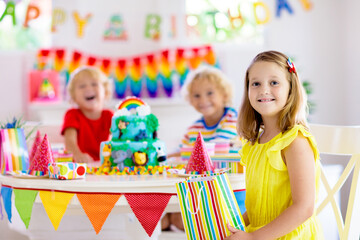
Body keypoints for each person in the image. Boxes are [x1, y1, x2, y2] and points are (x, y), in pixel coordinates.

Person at [225, 51, 323, 240]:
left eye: (274, 82)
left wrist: (252, 238)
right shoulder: (254, 145)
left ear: (291, 89)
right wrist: (238, 225)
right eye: (256, 84)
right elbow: (258, 209)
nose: (264, 90)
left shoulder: (295, 142)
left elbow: (304, 208)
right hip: (263, 233)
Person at [163, 66, 238, 232]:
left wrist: (181, 152)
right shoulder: (195, 127)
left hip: (228, 189)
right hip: (202, 187)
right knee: (164, 214)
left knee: (175, 217)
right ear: (190, 99)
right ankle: (169, 220)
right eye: (196, 95)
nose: (203, 99)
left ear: (224, 94)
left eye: (210, 93)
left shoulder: (231, 118)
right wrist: (167, 155)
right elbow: (181, 150)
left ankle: (176, 221)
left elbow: (217, 147)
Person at [61, 66, 113, 163]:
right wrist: (77, 154)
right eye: (82, 86)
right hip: (81, 167)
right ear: (74, 97)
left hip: (104, 166)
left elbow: (117, 139)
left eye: (94, 84)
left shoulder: (109, 116)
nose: (88, 88)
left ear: (105, 92)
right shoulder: (72, 114)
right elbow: (69, 140)